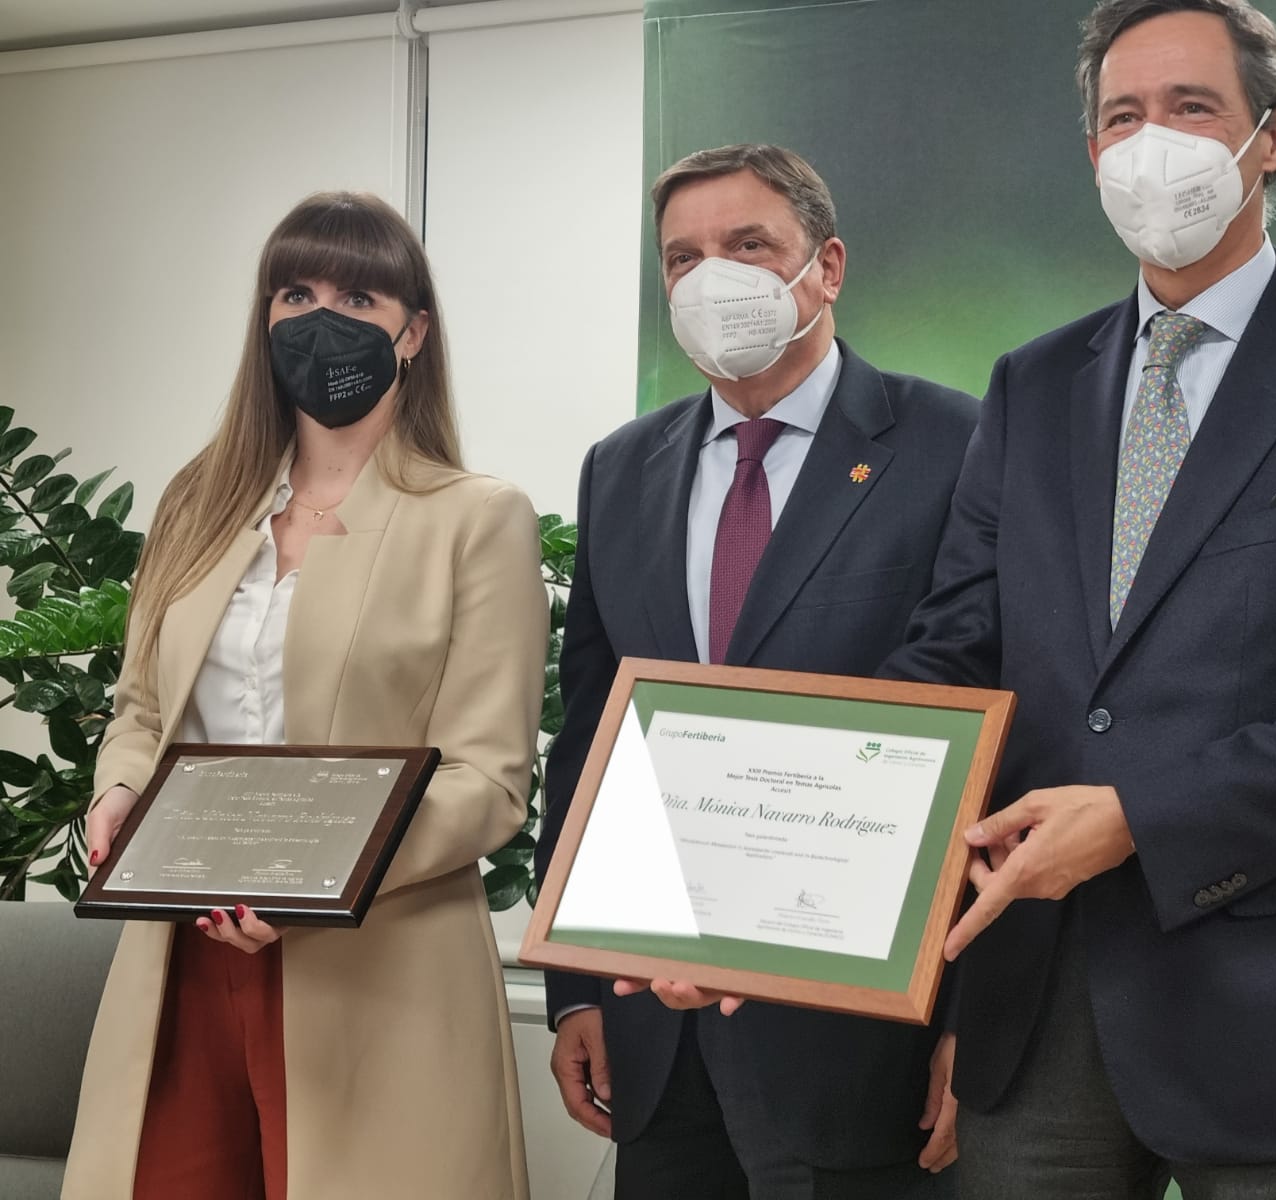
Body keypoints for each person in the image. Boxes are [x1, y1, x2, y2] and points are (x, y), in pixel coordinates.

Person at [883, 2, 1276, 1196]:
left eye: (1191, 107)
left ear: (1275, 136)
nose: (1150, 142)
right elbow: (953, 651)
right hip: (1033, 1002)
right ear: (1092, 152)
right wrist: (768, 864)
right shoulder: (1030, 385)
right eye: (1122, 117)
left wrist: (1140, 817)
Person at [63, 192, 545, 1200]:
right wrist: (118, 792)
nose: (322, 319)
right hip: (183, 957)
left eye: (358, 299)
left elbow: (488, 780)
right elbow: (141, 710)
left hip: (381, 965)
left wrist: (315, 881)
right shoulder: (197, 504)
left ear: (413, 333)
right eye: (296, 294)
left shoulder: (477, 519)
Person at [534, 144, 979, 1200]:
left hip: (859, 1043)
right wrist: (577, 987)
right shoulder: (620, 468)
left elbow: (989, 742)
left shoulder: (953, 442)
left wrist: (974, 1021)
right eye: (682, 259)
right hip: (652, 1026)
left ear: (827, 267)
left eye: (748, 246)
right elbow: (591, 733)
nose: (712, 278)